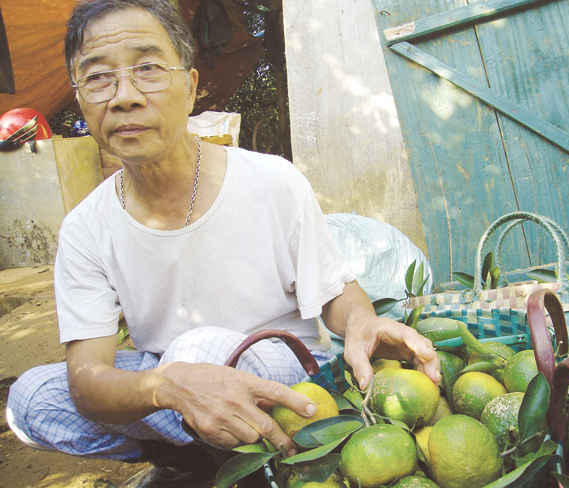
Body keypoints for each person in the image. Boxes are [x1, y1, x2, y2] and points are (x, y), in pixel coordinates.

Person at [6, 0, 440, 487]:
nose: (123, 96)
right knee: (32, 399)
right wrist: (167, 388)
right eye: (99, 77)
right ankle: (199, 453)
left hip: (286, 366)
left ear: (190, 86)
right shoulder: (86, 227)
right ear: (81, 99)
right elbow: (88, 380)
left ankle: (242, 449)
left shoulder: (271, 180)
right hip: (173, 373)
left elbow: (338, 293)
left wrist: (363, 321)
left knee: (199, 347)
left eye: (148, 69)